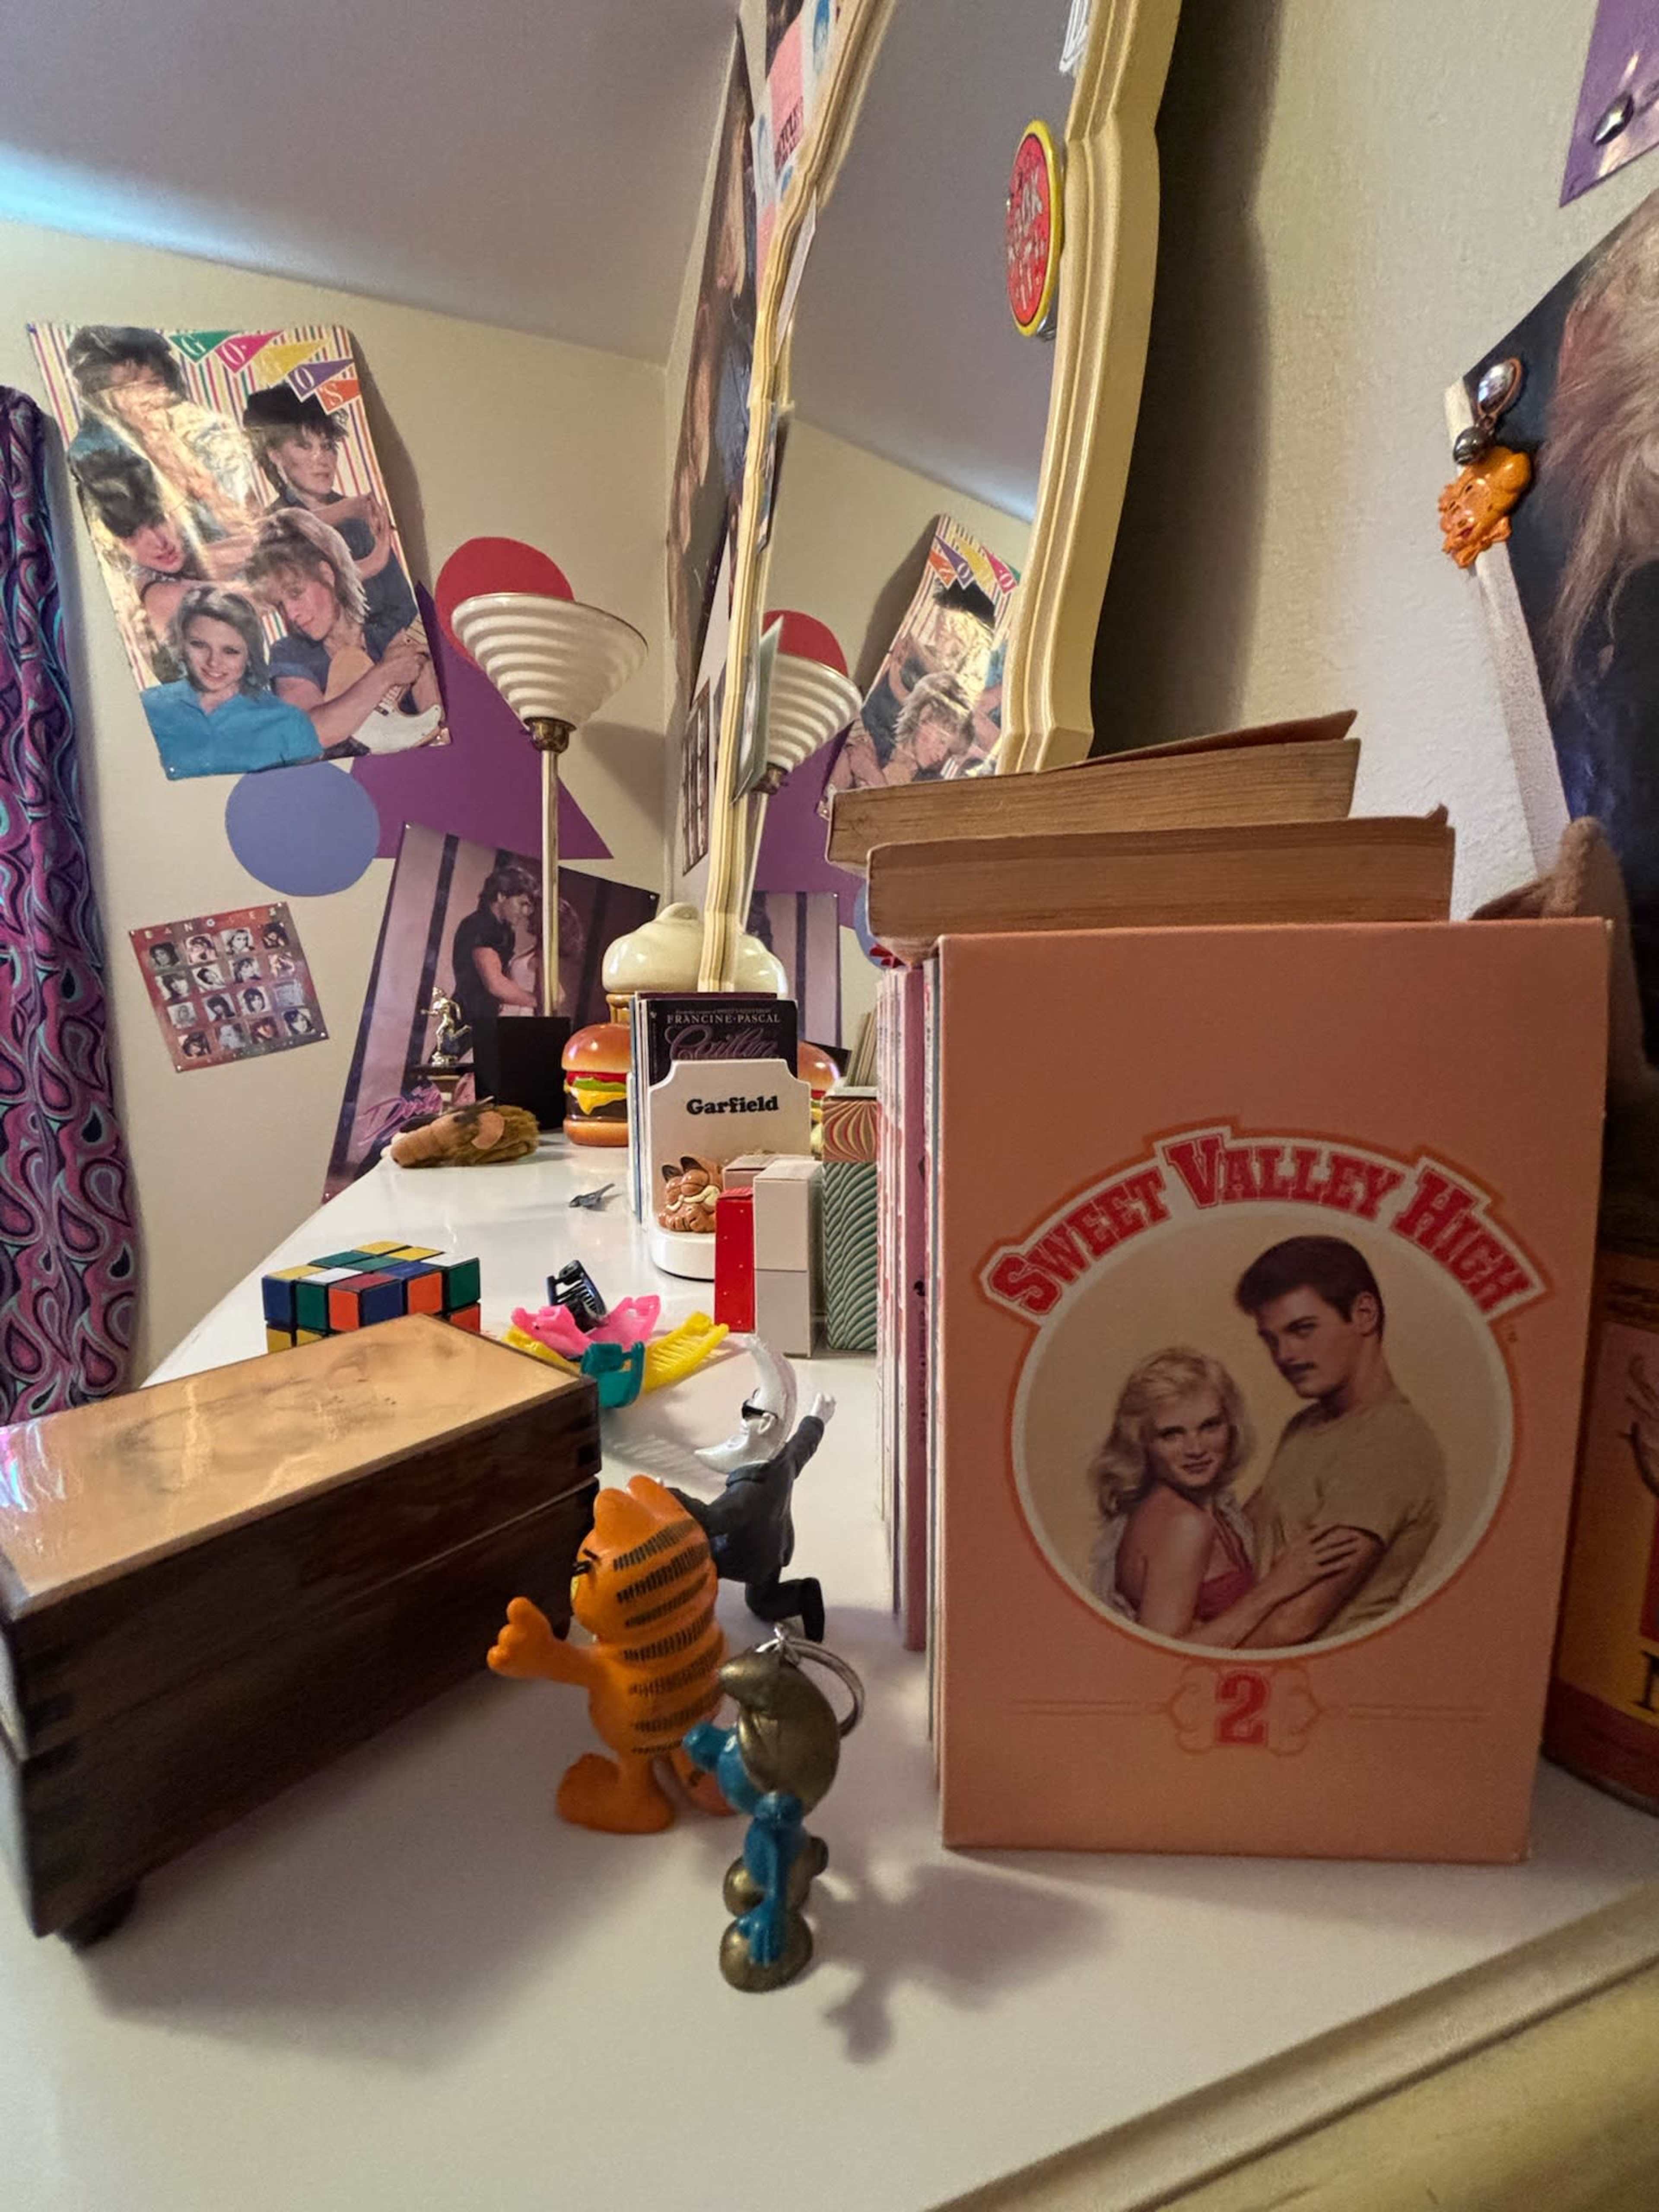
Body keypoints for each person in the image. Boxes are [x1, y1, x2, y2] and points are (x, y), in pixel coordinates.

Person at [1233, 1236, 1448, 1644]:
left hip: (1321, 1676)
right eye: (1271, 1339)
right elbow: (1237, 1540)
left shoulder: (1390, 1444)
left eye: (1303, 1329)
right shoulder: (1306, 1425)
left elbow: (1294, 1624)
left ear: (1364, 1314)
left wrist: (1185, 1656)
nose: (1285, 1355)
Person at [1090, 1348, 1365, 1644]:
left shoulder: (1210, 1509)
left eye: (1210, 1426)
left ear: (1231, 1427)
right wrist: (1278, 1585)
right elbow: (1164, 1660)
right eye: (1172, 1434)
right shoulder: (1184, 1524)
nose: (1195, 1449)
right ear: (1142, 1442)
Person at [242, 385, 421, 654]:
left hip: (394, 660)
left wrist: (373, 646)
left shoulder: (363, 519)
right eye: (304, 446)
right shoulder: (269, 532)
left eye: (327, 447)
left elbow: (404, 607)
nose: (321, 459)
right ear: (275, 454)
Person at [244, 508, 440, 753]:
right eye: (279, 605)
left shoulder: (397, 628)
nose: (291, 615)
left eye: (296, 593)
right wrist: (384, 674)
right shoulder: (290, 653)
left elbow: (436, 726)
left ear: (327, 574)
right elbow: (309, 734)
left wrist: (425, 674)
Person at [65, 327, 261, 559]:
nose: (145, 397)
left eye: (154, 383)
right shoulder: (95, 454)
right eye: (125, 389)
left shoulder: (202, 430)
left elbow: (253, 522)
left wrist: (205, 485)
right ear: (102, 399)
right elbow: (128, 556)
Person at [140, 585, 324, 779]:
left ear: (250, 656)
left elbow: (307, 798)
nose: (213, 662)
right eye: (199, 645)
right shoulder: (146, 708)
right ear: (181, 644)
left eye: (230, 651)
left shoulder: (289, 722)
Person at [450, 866, 540, 1034]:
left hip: (487, 1018)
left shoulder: (505, 932)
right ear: (501, 896)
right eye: (522, 904)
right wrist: (539, 1001)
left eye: (529, 906)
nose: (526, 912)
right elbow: (496, 985)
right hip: (467, 1021)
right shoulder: (479, 926)